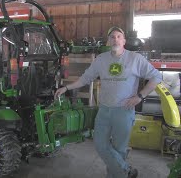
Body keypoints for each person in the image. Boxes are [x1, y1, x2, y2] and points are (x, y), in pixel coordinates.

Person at [54, 26, 162, 178]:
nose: (115, 39)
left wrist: (140, 96)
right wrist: (66, 87)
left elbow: (156, 77)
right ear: (108, 41)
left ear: (124, 41)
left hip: (124, 110)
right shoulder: (101, 59)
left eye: (119, 36)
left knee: (119, 149)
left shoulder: (135, 59)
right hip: (104, 110)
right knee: (100, 144)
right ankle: (126, 171)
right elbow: (85, 78)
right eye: (112, 37)